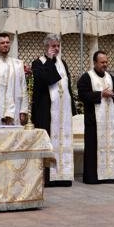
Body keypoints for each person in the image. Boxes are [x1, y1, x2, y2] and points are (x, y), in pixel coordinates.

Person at [31, 33, 74, 186]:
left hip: (63, 112)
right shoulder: (38, 63)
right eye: (53, 46)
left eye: (58, 46)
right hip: (46, 112)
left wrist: (72, 110)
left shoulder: (63, 63)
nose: (56, 49)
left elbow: (67, 87)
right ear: (46, 47)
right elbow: (49, 80)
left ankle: (63, 175)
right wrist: (49, 61)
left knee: (64, 141)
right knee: (49, 142)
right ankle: (48, 178)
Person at [77, 50, 114, 184]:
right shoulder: (87, 77)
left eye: (106, 62)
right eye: (102, 62)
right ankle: (93, 177)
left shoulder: (110, 77)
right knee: (93, 149)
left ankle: (111, 175)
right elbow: (82, 95)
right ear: (95, 63)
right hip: (94, 121)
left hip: (110, 122)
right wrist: (100, 94)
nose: (105, 64)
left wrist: (113, 94)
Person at [0, 32, 26, 124]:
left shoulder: (18, 64)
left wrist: (23, 110)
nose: (5, 45)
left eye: (7, 42)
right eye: (2, 43)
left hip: (16, 106)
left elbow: (23, 86)